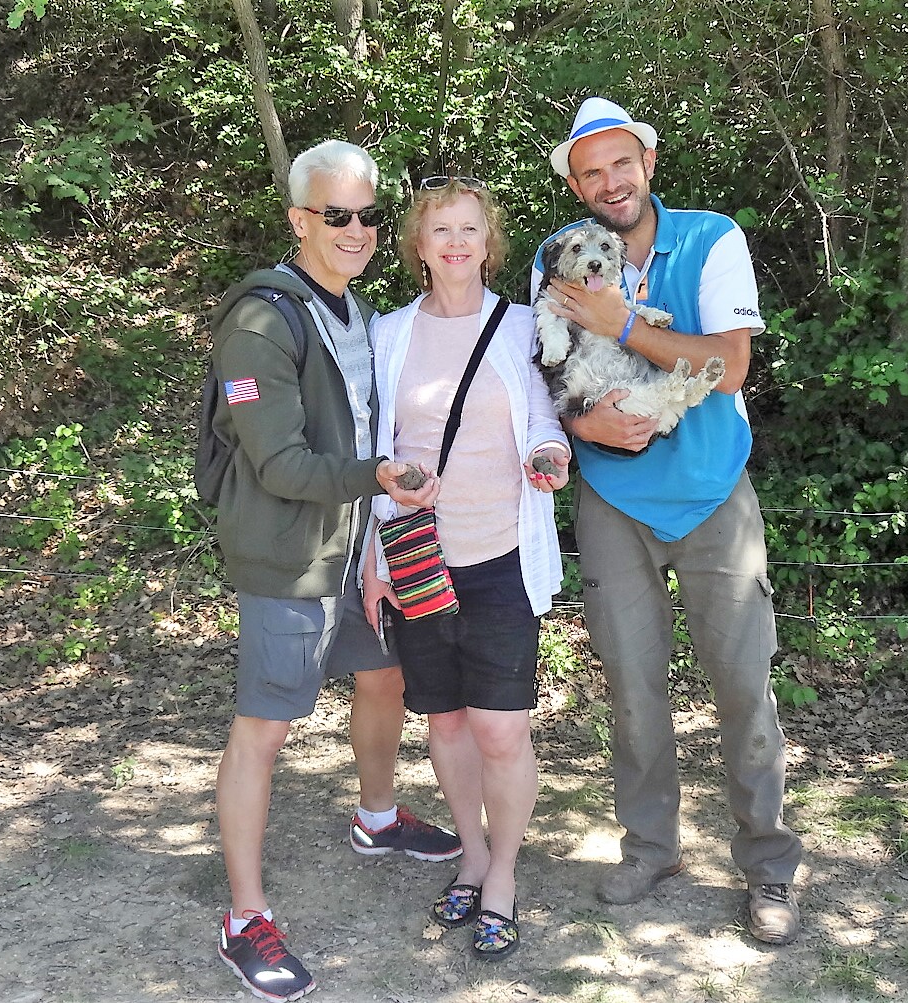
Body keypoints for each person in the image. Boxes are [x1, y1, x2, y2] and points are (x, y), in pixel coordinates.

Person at [531, 98, 804, 945]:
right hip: (614, 501)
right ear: (576, 186)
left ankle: (769, 865)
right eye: (591, 173)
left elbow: (730, 365)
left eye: (622, 164)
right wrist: (584, 428)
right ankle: (652, 847)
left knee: (744, 684)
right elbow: (541, 378)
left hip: (714, 491)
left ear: (648, 164)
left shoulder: (712, 238)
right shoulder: (558, 258)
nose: (609, 182)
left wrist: (620, 324)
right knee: (633, 686)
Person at [211, 140, 463, 1002]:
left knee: (384, 675)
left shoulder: (355, 311)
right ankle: (245, 918)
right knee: (265, 728)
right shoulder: (261, 322)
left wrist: (375, 521)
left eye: (367, 214)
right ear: (299, 219)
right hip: (288, 555)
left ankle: (378, 816)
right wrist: (380, 477)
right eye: (336, 215)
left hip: (355, 545)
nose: (355, 230)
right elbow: (280, 463)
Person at [363, 176, 570, 961]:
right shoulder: (389, 332)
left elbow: (545, 415)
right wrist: (375, 553)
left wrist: (548, 451)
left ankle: (505, 875)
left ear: (490, 243)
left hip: (501, 558)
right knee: (445, 721)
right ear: (419, 245)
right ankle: (473, 859)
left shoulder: (521, 326)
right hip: (418, 560)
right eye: (441, 229)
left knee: (501, 730)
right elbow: (376, 446)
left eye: (469, 229)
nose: (456, 242)